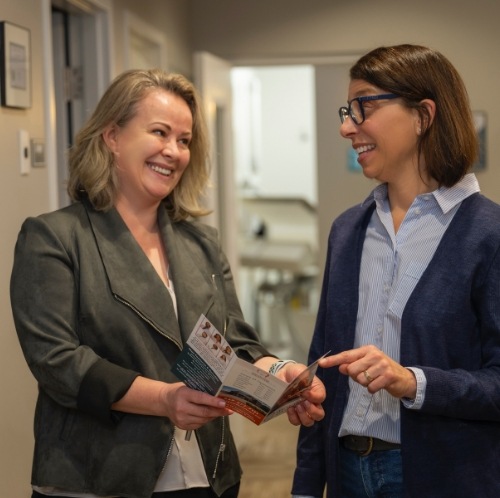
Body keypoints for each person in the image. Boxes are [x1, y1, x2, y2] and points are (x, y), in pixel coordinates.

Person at [9, 68, 326, 498]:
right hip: (98, 478)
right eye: (159, 132)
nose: (173, 152)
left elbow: (235, 344)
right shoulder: (56, 237)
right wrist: (164, 400)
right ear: (112, 136)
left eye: (184, 140)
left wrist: (280, 375)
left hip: (207, 475)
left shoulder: (201, 243)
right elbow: (56, 361)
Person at [291, 44, 500, 498]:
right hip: (345, 469)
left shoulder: (489, 234)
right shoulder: (347, 230)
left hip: (442, 476)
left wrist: (413, 381)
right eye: (348, 110)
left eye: (363, 105)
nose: (347, 127)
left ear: (423, 115)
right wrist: (306, 487)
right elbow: (321, 367)